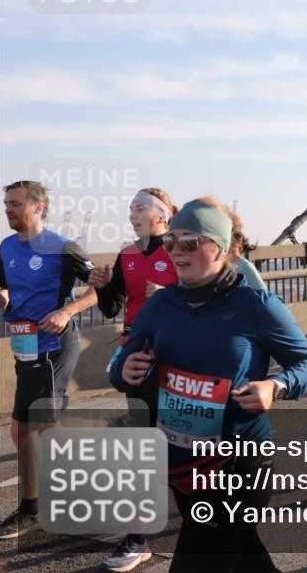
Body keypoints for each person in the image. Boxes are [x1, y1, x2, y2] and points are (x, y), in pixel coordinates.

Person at [109, 197, 307, 572]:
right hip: (183, 461)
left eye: (189, 242)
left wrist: (277, 387)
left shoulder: (257, 305)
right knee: (243, 555)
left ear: (220, 248)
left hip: (239, 461)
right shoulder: (160, 306)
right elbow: (121, 362)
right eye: (170, 242)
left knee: (202, 555)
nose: (176, 251)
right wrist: (125, 371)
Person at [88, 188, 180, 571]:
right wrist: (103, 285)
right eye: (130, 209)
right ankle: (138, 538)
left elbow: (204, 297)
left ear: (162, 215)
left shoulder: (179, 249)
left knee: (183, 440)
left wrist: (168, 296)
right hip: (138, 353)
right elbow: (113, 308)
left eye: (140, 208)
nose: (133, 214)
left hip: (178, 356)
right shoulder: (126, 254)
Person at [0, 181, 96, 539]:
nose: (8, 209)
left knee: (33, 429)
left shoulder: (61, 247)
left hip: (54, 345)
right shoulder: (6, 246)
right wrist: (3, 299)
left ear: (39, 207)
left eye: (15, 204)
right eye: (5, 203)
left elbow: (100, 287)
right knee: (24, 430)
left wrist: (67, 310)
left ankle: (41, 507)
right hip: (24, 346)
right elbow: (4, 287)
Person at [228, 213, 265, 290]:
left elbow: (262, 291)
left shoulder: (246, 266)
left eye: (229, 239)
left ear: (238, 243)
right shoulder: (221, 263)